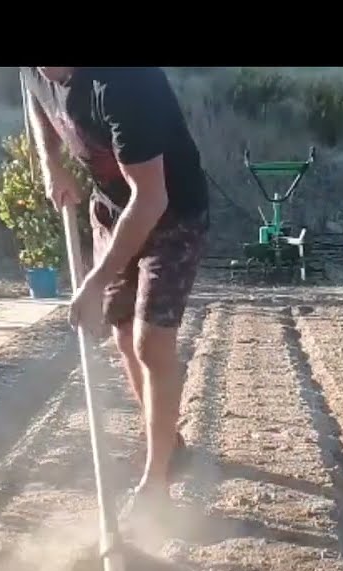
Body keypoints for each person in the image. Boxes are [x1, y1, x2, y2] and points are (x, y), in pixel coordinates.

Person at [25, 66, 209, 518]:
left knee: (152, 343)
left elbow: (151, 199)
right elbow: (35, 100)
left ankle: (156, 481)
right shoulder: (34, 69)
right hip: (111, 211)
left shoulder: (126, 83)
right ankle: (170, 445)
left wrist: (95, 280)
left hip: (172, 215)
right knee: (125, 338)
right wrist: (52, 164)